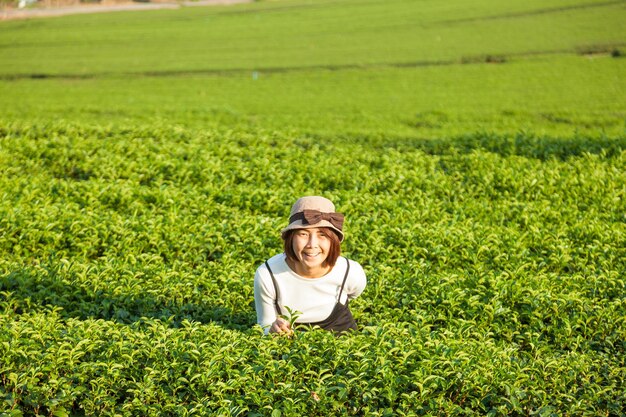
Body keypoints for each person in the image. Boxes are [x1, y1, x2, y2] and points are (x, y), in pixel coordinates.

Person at [254, 196, 367, 335]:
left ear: (333, 240)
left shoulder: (351, 273)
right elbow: (264, 325)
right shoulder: (268, 274)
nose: (312, 244)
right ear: (291, 238)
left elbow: (353, 294)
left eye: (322, 234)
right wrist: (272, 329)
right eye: (303, 234)